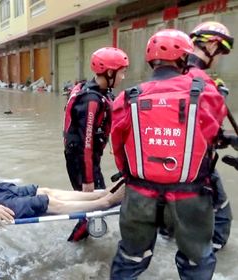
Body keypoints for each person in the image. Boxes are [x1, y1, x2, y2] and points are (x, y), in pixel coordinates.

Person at [109, 29, 226, 279]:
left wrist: (132, 178)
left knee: (130, 259)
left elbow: (118, 148)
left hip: (139, 196)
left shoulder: (127, 98)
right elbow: (213, 135)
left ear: (151, 61)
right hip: (190, 197)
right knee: (197, 262)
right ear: (184, 59)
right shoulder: (205, 91)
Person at [63, 47, 129, 241]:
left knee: (96, 205)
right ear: (109, 73)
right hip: (82, 161)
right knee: (95, 206)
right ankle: (74, 246)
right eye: (122, 72)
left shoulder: (102, 92)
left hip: (88, 159)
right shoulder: (91, 99)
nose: (123, 77)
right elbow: (86, 144)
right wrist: (88, 180)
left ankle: (83, 243)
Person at [186, 21, 234, 251]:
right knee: (222, 218)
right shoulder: (203, 81)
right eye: (221, 52)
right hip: (199, 165)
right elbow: (209, 130)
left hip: (172, 167)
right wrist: (219, 97)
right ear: (212, 45)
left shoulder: (174, 72)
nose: (219, 58)